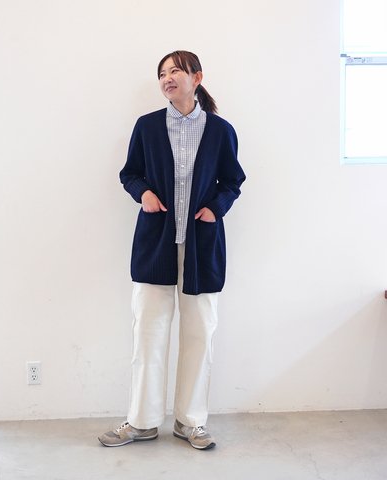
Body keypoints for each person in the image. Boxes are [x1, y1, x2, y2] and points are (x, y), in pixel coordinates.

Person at [99, 50, 245, 450]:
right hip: (155, 245)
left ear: (196, 77)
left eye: (175, 71)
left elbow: (233, 181)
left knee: (199, 335)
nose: (167, 78)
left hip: (202, 247)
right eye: (162, 73)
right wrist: (143, 193)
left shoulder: (220, 130)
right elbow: (130, 173)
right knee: (148, 335)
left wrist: (215, 208)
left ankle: (190, 422)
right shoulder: (147, 126)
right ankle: (142, 422)